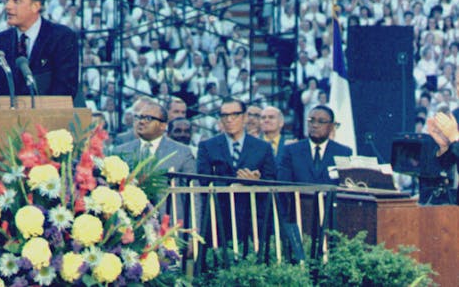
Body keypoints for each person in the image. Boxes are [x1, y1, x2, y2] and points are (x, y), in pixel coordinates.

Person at [197, 98, 276, 249]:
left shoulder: (263, 148)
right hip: (219, 219)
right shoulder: (208, 146)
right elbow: (203, 180)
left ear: (245, 117)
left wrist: (255, 181)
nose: (229, 120)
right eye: (224, 115)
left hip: (251, 219)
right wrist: (233, 184)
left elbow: (271, 181)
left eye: (235, 115)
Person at [0, 0, 78, 98]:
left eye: (16, 1)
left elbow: (65, 89)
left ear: (36, 6)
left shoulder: (62, 38)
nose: (8, 6)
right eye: (6, 0)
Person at [111, 101, 197, 227]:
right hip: (129, 228)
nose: (141, 121)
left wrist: (193, 235)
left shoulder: (182, 153)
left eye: (148, 118)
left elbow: (193, 197)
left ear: (163, 126)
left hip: (170, 228)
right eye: (139, 117)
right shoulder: (120, 152)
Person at [277, 105, 353, 185]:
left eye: (321, 121)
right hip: (299, 197)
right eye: (311, 121)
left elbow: (345, 187)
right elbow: (283, 185)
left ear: (331, 126)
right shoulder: (291, 151)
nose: (315, 125)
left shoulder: (343, 152)